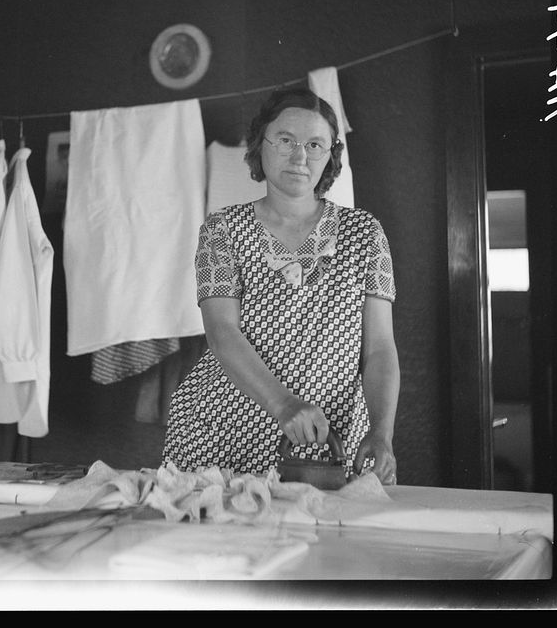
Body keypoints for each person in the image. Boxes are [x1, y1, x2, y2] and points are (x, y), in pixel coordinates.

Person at [162, 87, 400, 484]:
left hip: (330, 440)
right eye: (286, 140)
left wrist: (381, 432)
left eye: (315, 144)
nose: (300, 156)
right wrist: (284, 404)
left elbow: (379, 348)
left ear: (330, 155)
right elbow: (222, 332)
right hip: (222, 434)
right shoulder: (223, 229)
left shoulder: (365, 233)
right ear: (261, 144)